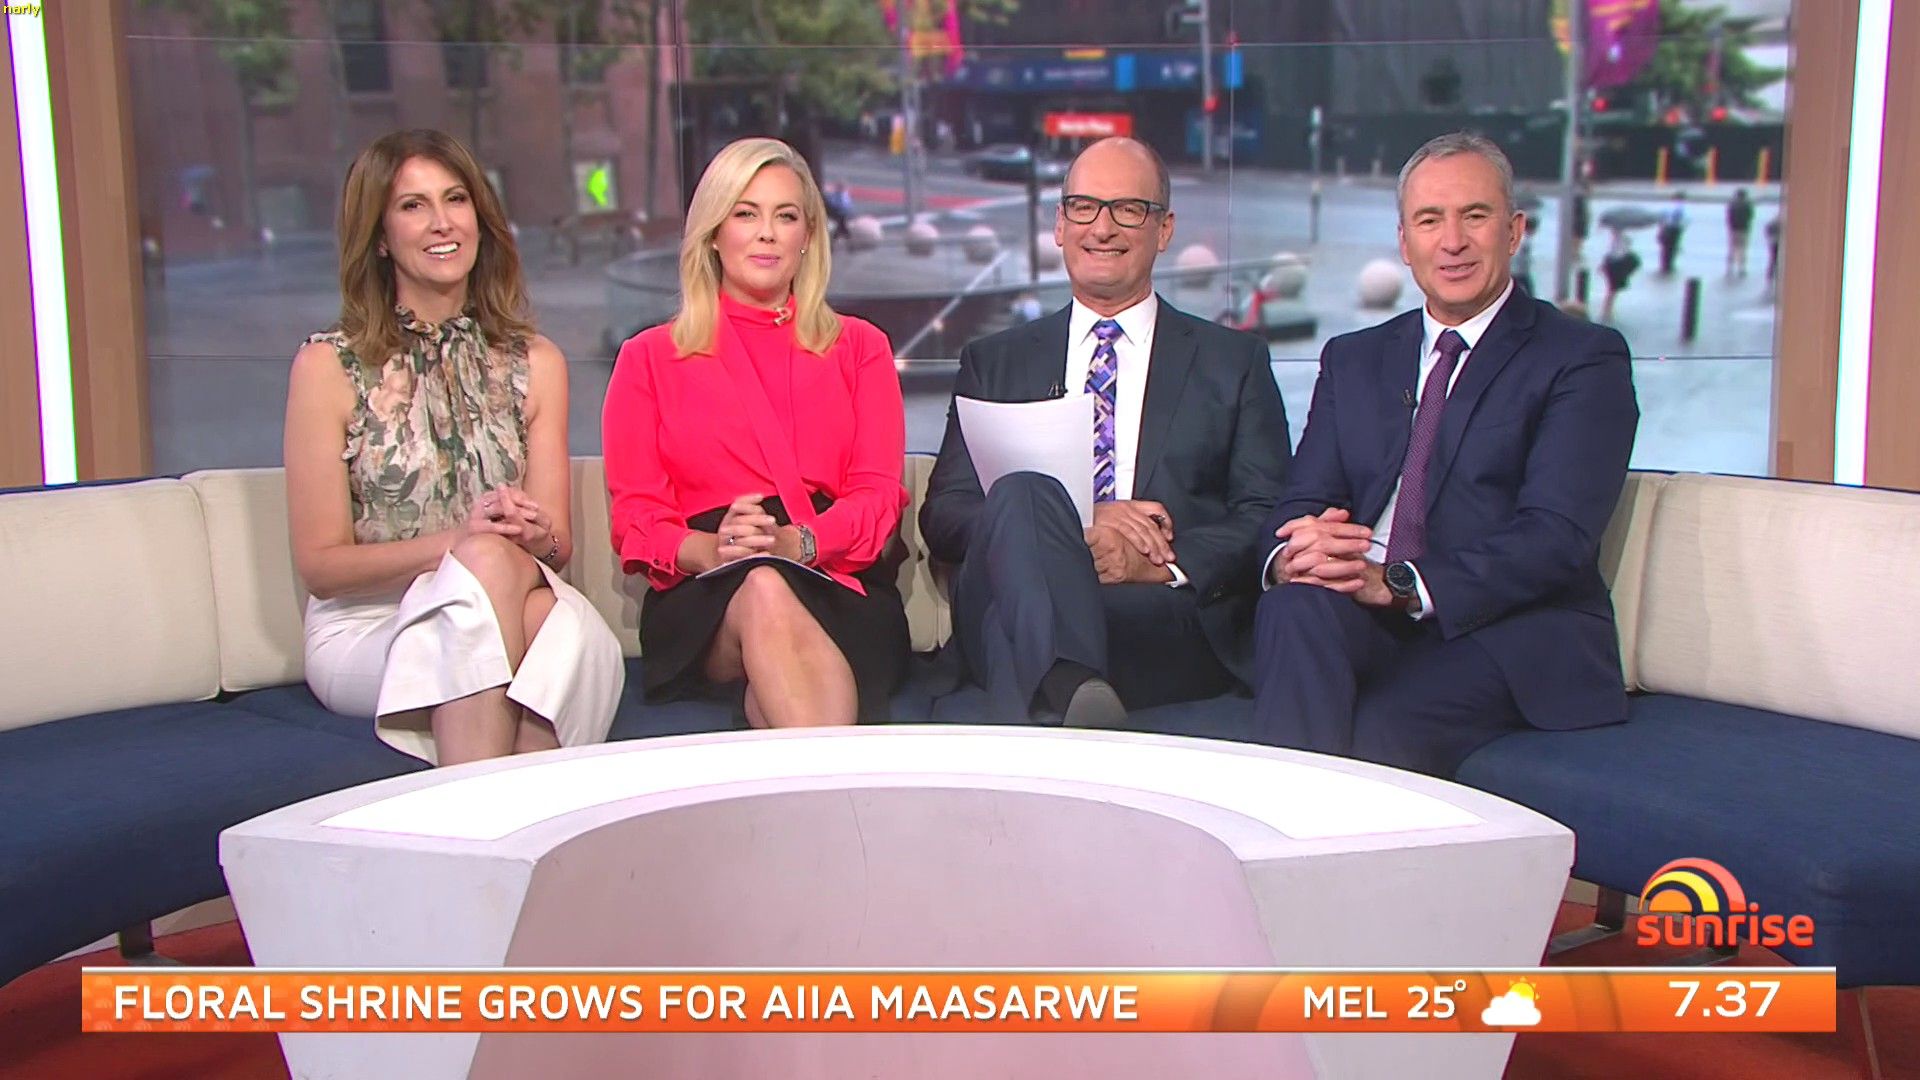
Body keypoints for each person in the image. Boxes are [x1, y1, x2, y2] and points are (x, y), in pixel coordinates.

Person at [1250, 131, 1639, 778]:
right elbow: (1302, 499)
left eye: (1474, 216)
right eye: (1430, 220)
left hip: (1508, 631)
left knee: (1382, 729)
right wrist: (1299, 552)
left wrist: (1400, 584)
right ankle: (1284, 837)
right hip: (1370, 612)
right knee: (1292, 605)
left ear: (1514, 231)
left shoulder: (1581, 358)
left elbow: (1555, 537)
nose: (1452, 241)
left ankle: (1318, 839)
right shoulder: (1355, 359)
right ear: (1406, 243)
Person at [920, 136, 1291, 727]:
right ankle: (1073, 691)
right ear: (1060, 224)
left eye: (1128, 209)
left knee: (1010, 636)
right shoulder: (995, 361)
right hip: (1014, 592)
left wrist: (1154, 564)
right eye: (1084, 207)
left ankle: (1060, 696)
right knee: (1024, 493)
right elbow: (945, 515)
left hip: (1155, 614)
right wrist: (1073, 523)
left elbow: (1266, 515)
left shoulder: (1233, 362)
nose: (1102, 227)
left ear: (1164, 229)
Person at [286, 129, 623, 766]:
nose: (442, 222)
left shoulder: (537, 362)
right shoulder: (327, 367)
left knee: (561, 627)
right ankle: (500, 807)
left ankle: (488, 814)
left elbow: (559, 549)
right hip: (372, 625)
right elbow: (322, 568)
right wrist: (464, 545)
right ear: (380, 236)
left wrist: (530, 533)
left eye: (456, 199)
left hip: (518, 594)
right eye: (413, 205)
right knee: (514, 598)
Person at [603, 137, 909, 728]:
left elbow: (876, 498)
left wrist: (798, 544)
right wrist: (712, 551)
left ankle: (796, 759)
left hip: (832, 575)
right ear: (714, 233)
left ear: (808, 235)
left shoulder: (861, 347)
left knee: (772, 616)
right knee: (763, 586)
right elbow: (636, 517)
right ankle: (835, 777)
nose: (767, 233)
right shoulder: (648, 358)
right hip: (706, 589)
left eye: (785, 216)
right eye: (746, 214)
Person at [1600, 229, 1641, 322]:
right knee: (1612, 291)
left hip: (1614, 267)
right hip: (1615, 268)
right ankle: (1607, 311)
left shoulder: (1618, 241)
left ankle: (1607, 311)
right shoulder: (1620, 241)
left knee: (1611, 291)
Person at [1726, 188, 1756, 279]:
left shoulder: (1732, 205)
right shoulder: (1748, 205)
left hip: (1734, 229)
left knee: (1732, 249)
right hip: (1744, 229)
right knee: (1742, 250)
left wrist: (1731, 226)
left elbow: (1729, 217)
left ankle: (1729, 268)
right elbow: (1751, 216)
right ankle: (1741, 269)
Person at [1656, 191, 1686, 275]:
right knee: (1673, 247)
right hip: (1676, 229)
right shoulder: (1682, 207)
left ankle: (1665, 265)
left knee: (1666, 248)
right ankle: (1669, 265)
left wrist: (1661, 229)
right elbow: (1684, 219)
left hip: (1667, 228)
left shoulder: (1668, 206)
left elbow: (1661, 218)